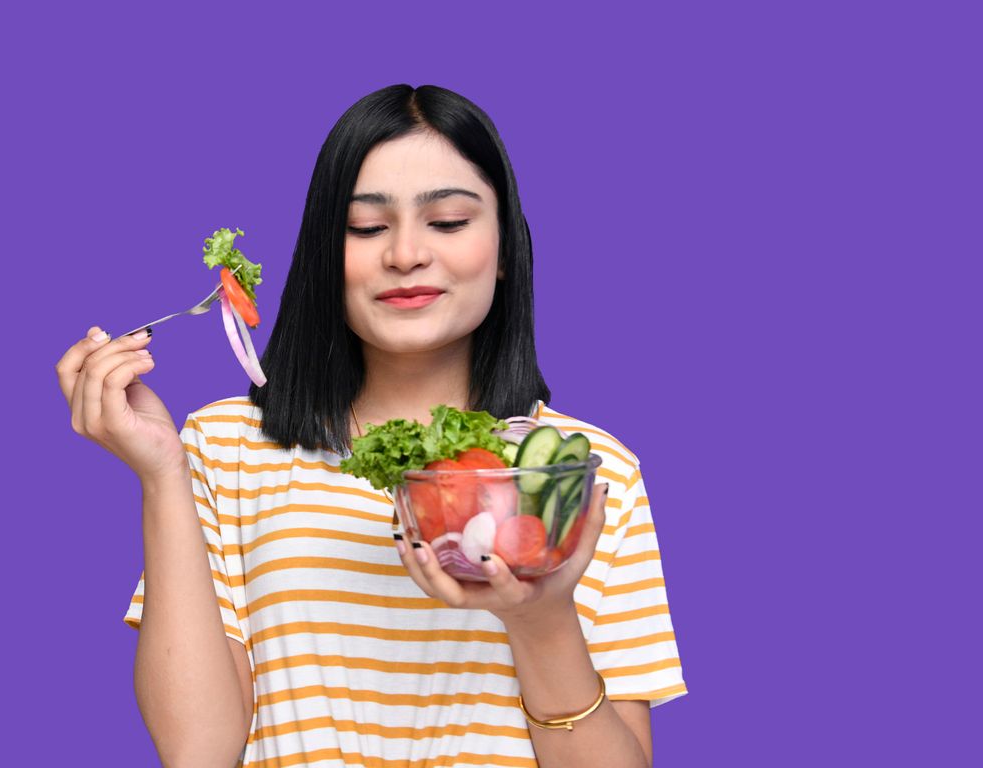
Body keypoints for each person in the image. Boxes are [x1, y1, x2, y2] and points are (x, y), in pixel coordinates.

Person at [56, 84, 686, 767]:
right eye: (365, 228)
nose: (406, 254)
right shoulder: (226, 448)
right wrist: (161, 476)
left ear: (505, 250)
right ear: (327, 254)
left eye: (448, 222)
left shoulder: (582, 471)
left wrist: (541, 621)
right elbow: (197, 751)